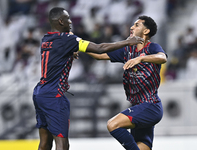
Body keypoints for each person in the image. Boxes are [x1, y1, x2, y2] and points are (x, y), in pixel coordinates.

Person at [32, 7, 144, 150]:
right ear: (61, 21)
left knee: (45, 143)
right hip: (54, 96)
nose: (71, 21)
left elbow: (57, 52)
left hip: (39, 93)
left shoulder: (46, 39)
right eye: (67, 18)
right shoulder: (68, 40)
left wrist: (70, 51)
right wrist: (127, 42)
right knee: (62, 144)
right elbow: (99, 48)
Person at [87, 15, 167, 150]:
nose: (132, 27)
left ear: (146, 31)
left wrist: (141, 59)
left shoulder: (152, 47)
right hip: (139, 107)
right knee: (142, 147)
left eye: (137, 25)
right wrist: (76, 45)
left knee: (112, 124)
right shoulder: (127, 50)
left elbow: (162, 57)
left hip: (150, 105)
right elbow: (99, 55)